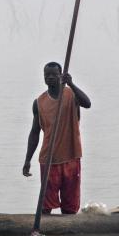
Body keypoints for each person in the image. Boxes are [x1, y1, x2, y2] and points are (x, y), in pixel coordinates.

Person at [22, 62, 91, 214]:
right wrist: (27, 160)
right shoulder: (39, 103)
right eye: (47, 75)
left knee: (70, 207)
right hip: (49, 159)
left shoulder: (71, 94)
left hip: (71, 157)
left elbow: (87, 104)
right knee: (46, 206)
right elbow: (34, 133)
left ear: (61, 76)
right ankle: (43, 234)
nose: (50, 77)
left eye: (54, 74)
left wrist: (71, 83)